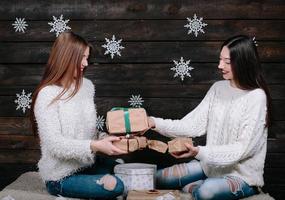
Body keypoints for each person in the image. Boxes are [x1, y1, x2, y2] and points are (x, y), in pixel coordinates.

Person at [148, 35, 271, 200]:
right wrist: (154, 123)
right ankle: (198, 184)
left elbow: (240, 150)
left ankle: (196, 187)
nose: (220, 66)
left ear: (243, 63)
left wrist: (199, 152)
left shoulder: (257, 97)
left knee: (206, 192)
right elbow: (192, 125)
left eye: (227, 62)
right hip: (210, 167)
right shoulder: (218, 88)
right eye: (220, 60)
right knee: (158, 178)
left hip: (242, 176)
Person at [30, 32, 127, 199]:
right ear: (66, 58)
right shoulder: (47, 94)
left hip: (87, 164)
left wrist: (106, 138)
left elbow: (88, 131)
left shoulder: (87, 86)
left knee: (123, 168)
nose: (85, 63)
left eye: (87, 58)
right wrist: (95, 146)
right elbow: (54, 145)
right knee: (116, 185)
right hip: (60, 176)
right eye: (82, 58)